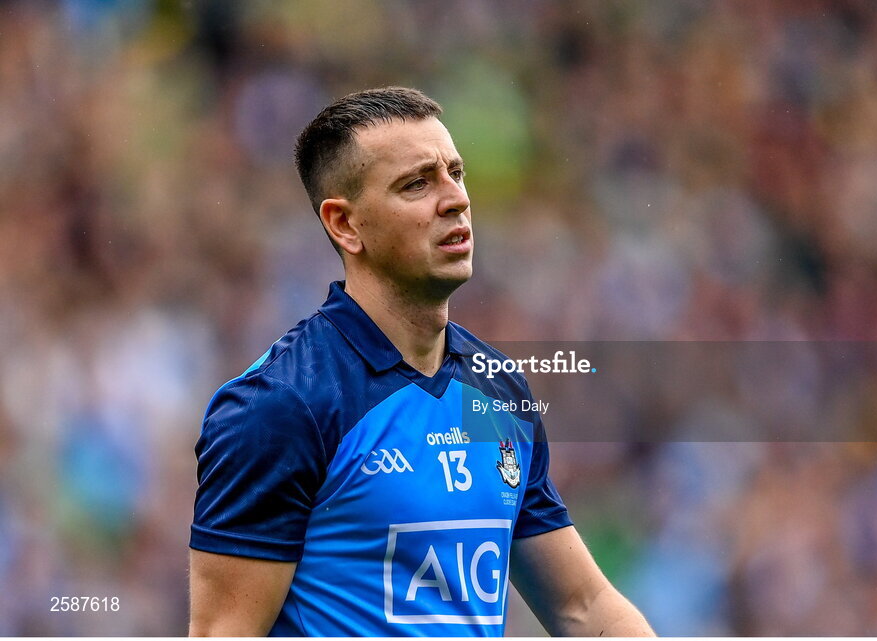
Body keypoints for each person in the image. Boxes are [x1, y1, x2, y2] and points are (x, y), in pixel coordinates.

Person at [188, 86, 654, 637]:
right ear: (345, 224)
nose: (455, 198)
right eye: (417, 184)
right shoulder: (282, 405)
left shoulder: (497, 390)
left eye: (455, 173)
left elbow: (584, 608)